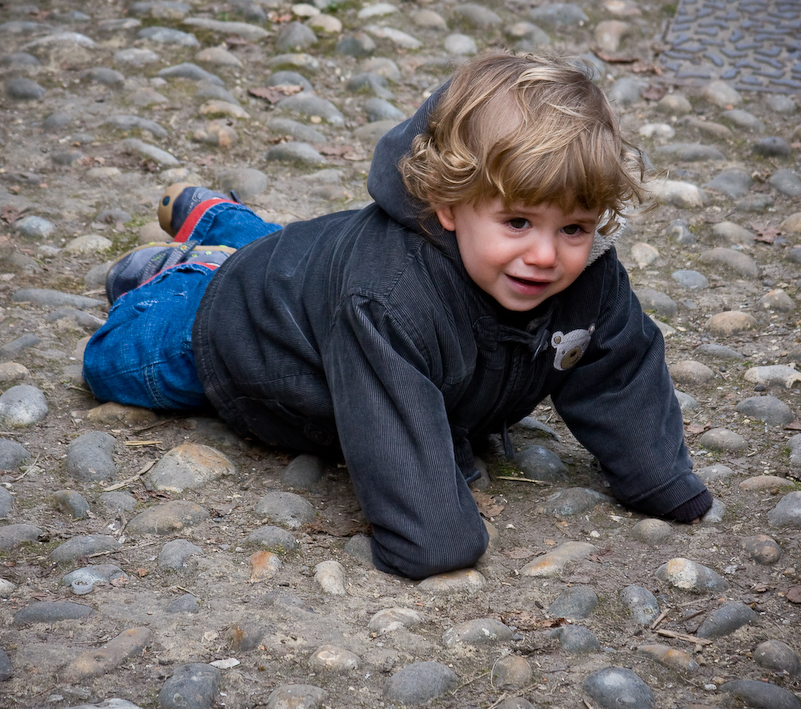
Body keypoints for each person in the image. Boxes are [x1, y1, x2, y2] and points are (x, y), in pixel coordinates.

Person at [83, 51, 712, 580]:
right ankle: (179, 275)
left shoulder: (587, 271)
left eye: (573, 227)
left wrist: (663, 483)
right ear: (447, 203)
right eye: (517, 221)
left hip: (309, 269)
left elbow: (621, 369)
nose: (546, 255)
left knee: (284, 256)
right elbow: (426, 527)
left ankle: (227, 226)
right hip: (228, 331)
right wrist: (442, 532)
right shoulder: (388, 301)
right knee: (109, 362)